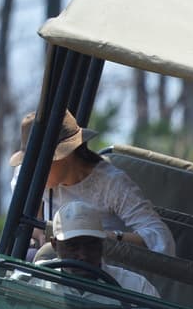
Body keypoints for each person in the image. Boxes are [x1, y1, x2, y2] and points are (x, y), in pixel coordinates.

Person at [11, 109, 176, 257]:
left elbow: (161, 239)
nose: (33, 170)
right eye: (30, 161)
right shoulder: (26, 175)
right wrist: (40, 231)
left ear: (67, 153)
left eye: (41, 161)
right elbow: (26, 216)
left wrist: (102, 237)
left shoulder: (111, 183)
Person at [42, 201, 161, 298]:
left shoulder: (137, 288)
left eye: (91, 245)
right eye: (73, 246)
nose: (83, 255)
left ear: (101, 244)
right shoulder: (36, 278)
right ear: (54, 245)